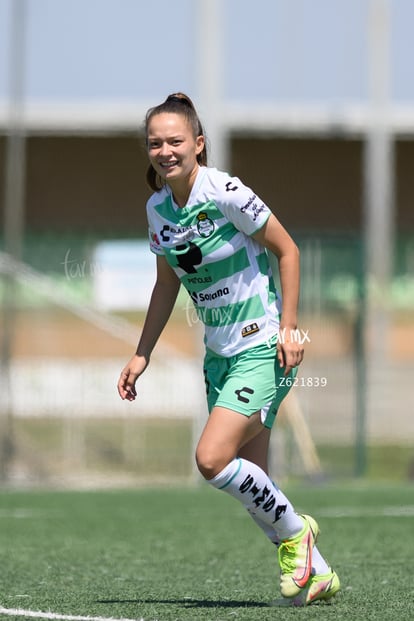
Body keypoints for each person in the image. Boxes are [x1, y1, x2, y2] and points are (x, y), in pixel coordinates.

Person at [117, 92, 340, 606]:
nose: (165, 150)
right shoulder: (157, 210)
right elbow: (166, 284)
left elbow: (288, 250)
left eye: (176, 141)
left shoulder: (226, 192)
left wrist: (290, 328)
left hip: (263, 345)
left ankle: (298, 538)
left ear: (198, 144)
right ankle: (319, 573)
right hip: (219, 355)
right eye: (155, 142)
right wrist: (142, 353)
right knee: (255, 482)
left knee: (212, 458)